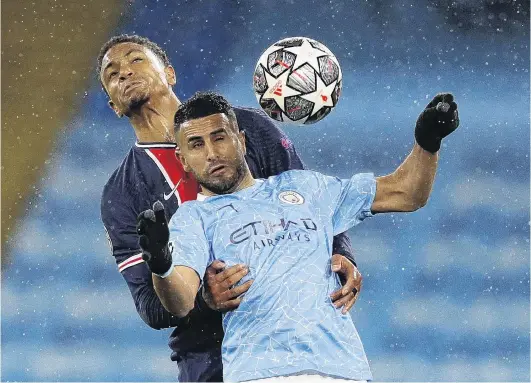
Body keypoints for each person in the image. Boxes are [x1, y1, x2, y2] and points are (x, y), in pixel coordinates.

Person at [136, 91, 459, 382]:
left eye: (219, 138)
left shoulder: (304, 187)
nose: (211, 153)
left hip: (342, 370)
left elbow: (406, 193)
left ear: (242, 141)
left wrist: (427, 142)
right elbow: (179, 302)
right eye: (196, 144)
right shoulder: (194, 218)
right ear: (183, 160)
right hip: (259, 374)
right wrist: (162, 264)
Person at [98, 34, 362, 382]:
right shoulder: (121, 192)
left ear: (171, 73)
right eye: (112, 74)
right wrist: (204, 301)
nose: (124, 73)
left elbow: (308, 199)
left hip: (300, 345)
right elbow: (149, 305)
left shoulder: (246, 127)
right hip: (210, 359)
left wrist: (342, 253)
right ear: (114, 106)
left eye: (135, 60)